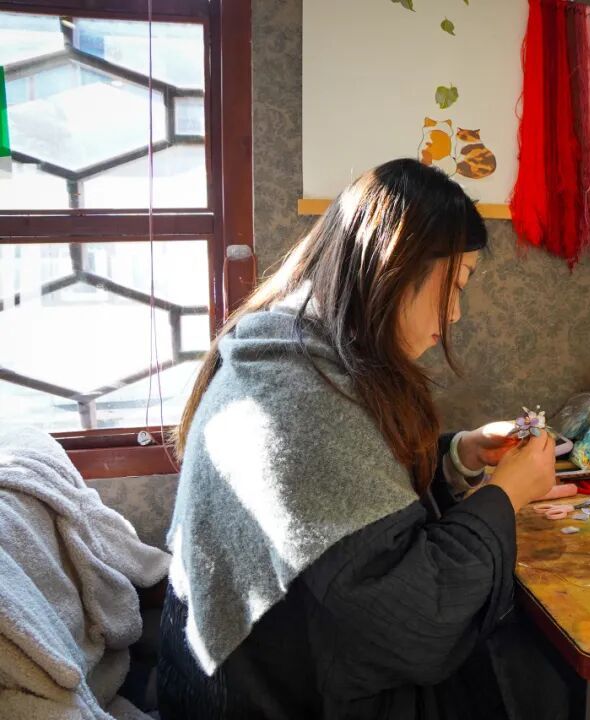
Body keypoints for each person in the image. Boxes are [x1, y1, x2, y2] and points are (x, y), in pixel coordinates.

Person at [157, 159, 560, 719]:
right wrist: (506, 495)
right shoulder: (297, 401)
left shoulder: (291, 350)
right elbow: (416, 618)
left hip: (246, 674)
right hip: (263, 700)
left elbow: (352, 488)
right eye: (455, 285)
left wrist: (456, 455)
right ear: (397, 266)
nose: (455, 314)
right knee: (535, 672)